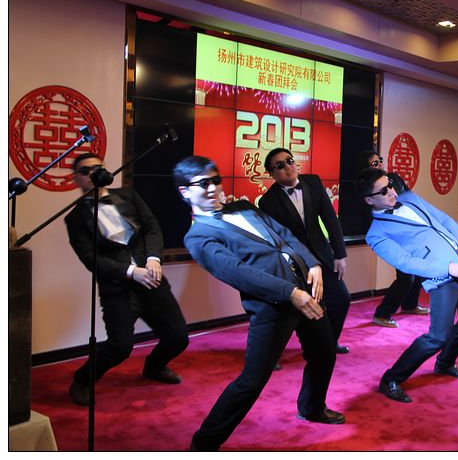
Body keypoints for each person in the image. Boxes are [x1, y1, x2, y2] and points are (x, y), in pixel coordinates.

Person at [174, 156, 344, 451]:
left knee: (325, 353)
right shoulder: (198, 236)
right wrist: (291, 293)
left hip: (306, 292)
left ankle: (311, 407)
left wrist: (313, 263)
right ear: (185, 191)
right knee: (252, 381)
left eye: (215, 181)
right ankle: (203, 444)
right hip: (273, 305)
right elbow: (239, 273)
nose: (212, 188)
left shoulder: (243, 207)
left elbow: (285, 235)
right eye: (203, 184)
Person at [64, 153, 188, 406]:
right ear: (76, 178)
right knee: (120, 346)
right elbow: (91, 259)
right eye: (86, 171)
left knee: (178, 337)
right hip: (118, 287)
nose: (94, 173)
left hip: (151, 278)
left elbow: (152, 227)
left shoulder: (128, 196)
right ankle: (82, 379)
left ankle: (154, 367)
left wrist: (153, 259)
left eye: (98, 167)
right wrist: (131, 272)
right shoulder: (75, 218)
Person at [356, 167, 458, 403]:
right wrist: (447, 268)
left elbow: (444, 220)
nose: (391, 192)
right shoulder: (376, 234)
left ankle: (445, 363)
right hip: (443, 279)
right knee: (437, 337)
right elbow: (405, 262)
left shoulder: (411, 199)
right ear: (369, 200)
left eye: (390, 185)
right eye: (383, 191)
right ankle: (391, 379)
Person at [258, 148, 351, 354]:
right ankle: (271, 355)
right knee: (296, 310)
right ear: (271, 173)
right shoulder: (267, 202)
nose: (288, 167)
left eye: (289, 161)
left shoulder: (313, 182)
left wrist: (340, 254)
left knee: (341, 300)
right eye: (280, 165)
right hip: (296, 263)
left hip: (324, 256)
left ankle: (328, 345)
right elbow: (276, 240)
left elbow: (330, 218)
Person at [356, 150, 428, 328]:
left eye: (380, 160)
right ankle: (382, 314)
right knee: (406, 277)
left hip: (407, 229)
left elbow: (410, 198)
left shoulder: (394, 178)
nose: (380, 164)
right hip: (389, 233)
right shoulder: (368, 189)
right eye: (375, 163)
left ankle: (410, 305)